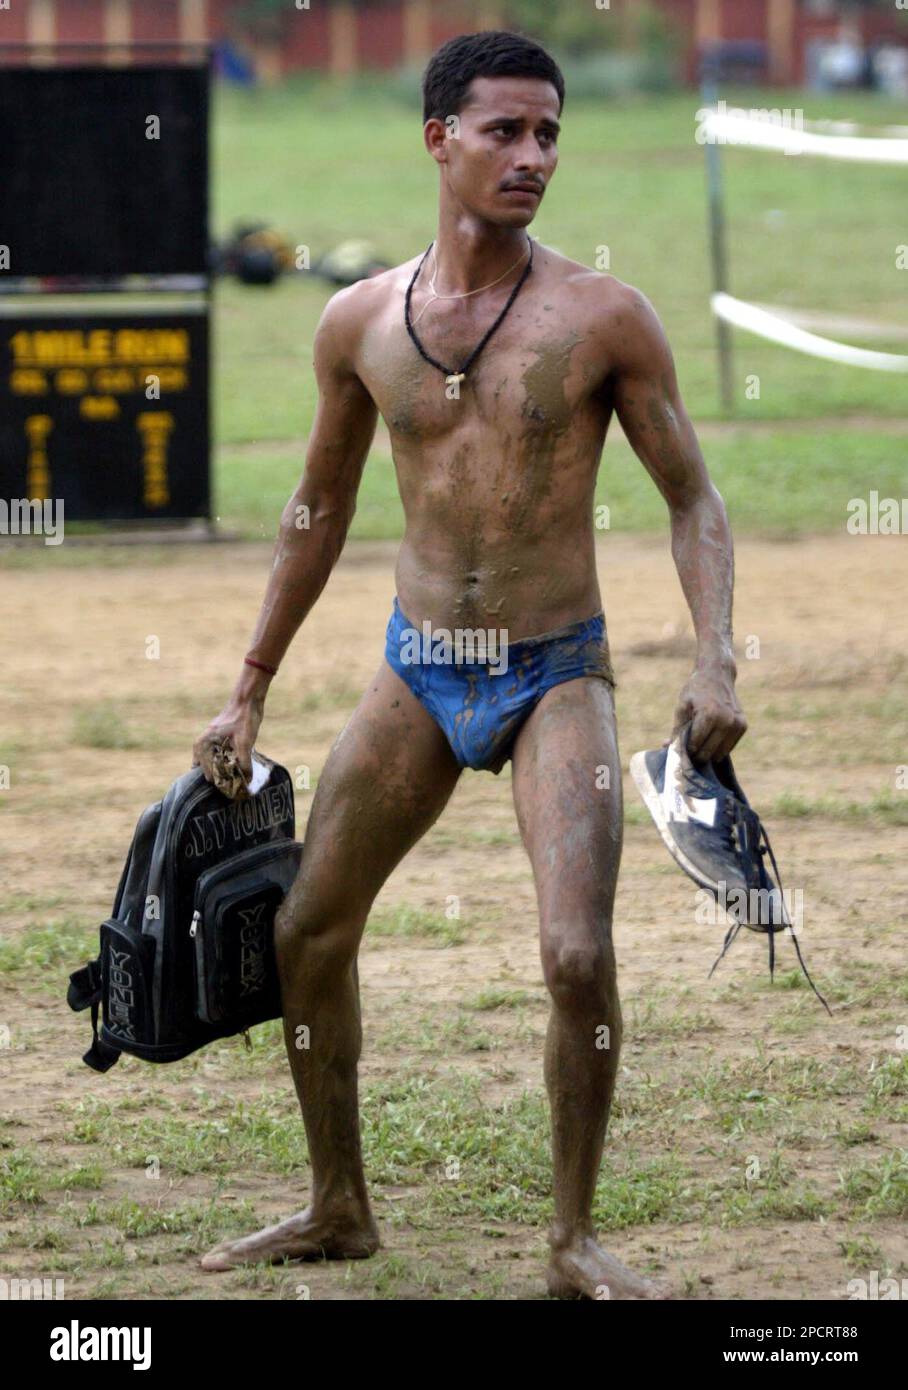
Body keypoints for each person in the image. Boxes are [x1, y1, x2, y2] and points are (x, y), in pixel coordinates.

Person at [193, 29, 746, 1298]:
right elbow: (314, 509)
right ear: (438, 138)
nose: (532, 156)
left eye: (548, 132)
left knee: (572, 956)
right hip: (418, 665)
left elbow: (692, 498)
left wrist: (714, 659)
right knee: (305, 931)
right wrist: (249, 682)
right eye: (504, 130)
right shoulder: (358, 324)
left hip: (556, 669)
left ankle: (571, 1242)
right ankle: (339, 1207)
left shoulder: (601, 316)